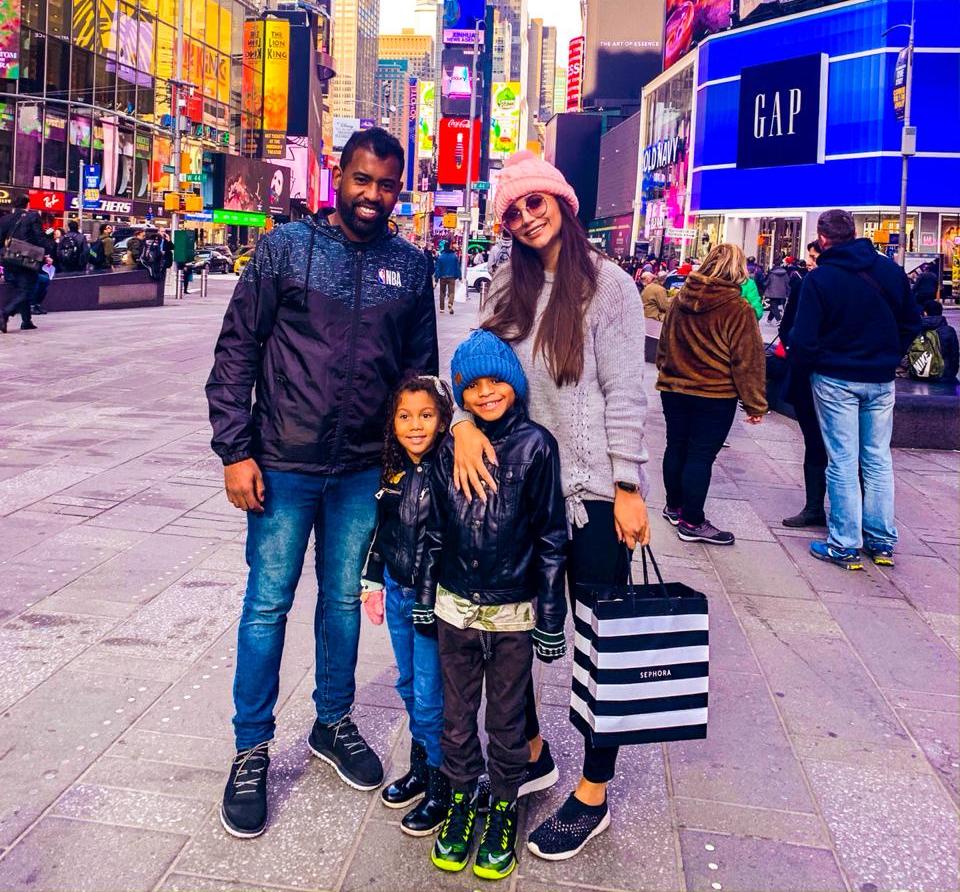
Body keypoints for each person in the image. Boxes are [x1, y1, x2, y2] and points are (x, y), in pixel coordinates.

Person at [206, 127, 439, 839]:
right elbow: (237, 349)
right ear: (340, 176)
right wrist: (234, 450)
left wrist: (411, 466)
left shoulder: (411, 267)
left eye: (387, 185)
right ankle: (251, 748)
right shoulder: (285, 249)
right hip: (281, 462)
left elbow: (420, 374)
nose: (373, 195)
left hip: (364, 470)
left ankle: (332, 721)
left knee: (342, 601)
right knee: (267, 605)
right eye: (363, 179)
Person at [449, 150, 650, 862]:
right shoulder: (508, 284)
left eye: (535, 202)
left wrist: (628, 487)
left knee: (600, 645)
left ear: (562, 203)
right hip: (518, 492)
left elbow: (626, 391)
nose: (527, 217)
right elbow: (478, 368)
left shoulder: (610, 287)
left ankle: (593, 793)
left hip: (590, 496)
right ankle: (533, 751)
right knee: (512, 630)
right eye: (513, 211)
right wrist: (462, 422)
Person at [417, 330, 568, 881]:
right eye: (472, 385)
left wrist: (550, 618)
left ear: (514, 383)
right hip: (456, 609)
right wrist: (426, 595)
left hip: (512, 614)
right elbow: (434, 529)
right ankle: (461, 799)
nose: (485, 393)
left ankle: (503, 804)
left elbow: (551, 537)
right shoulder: (450, 448)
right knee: (457, 719)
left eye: (495, 381)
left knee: (507, 720)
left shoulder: (537, 447)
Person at [790, 209, 921, 570]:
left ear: (823, 238)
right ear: (855, 232)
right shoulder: (890, 271)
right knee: (877, 459)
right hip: (880, 378)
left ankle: (845, 543)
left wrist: (812, 364)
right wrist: (889, 354)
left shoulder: (820, 278)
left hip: (835, 378)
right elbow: (912, 321)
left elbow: (803, 339)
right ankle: (881, 541)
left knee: (843, 461)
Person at [361, 374, 454, 837]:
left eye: (426, 415)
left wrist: (431, 596)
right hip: (397, 592)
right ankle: (421, 765)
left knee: (431, 694)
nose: (415, 425)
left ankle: (442, 782)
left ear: (443, 421)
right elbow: (383, 532)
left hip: (429, 601)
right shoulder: (393, 472)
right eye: (405, 416)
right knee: (408, 683)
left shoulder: (448, 470)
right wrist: (372, 579)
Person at [656, 244, 767, 545]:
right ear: (738, 269)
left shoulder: (681, 298)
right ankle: (692, 521)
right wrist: (755, 404)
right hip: (714, 393)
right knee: (700, 455)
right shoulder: (738, 308)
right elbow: (747, 360)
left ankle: (673, 506)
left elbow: (664, 342)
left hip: (674, 388)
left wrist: (666, 371)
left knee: (676, 445)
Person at [779, 241, 828, 527]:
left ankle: (820, 508)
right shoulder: (803, 283)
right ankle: (815, 506)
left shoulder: (817, 283)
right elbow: (787, 327)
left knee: (823, 444)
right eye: (809, 256)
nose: (808, 261)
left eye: (813, 256)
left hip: (818, 374)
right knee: (814, 442)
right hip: (809, 376)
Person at [0, 194, 45, 332]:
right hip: (26, 260)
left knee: (21, 289)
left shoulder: (5, 219)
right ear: (28, 204)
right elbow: (39, 238)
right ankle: (5, 313)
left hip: (8, 259)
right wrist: (46, 254)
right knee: (27, 290)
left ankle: (26, 321)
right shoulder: (33, 216)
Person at [910, 300, 959, 382]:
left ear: (925, 313)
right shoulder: (949, 331)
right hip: (944, 375)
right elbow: (954, 356)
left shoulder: (916, 329)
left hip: (917, 373)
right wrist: (951, 374)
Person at [434, 242, 460, 315]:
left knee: (442, 293)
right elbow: (457, 267)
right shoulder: (454, 256)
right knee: (451, 292)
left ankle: (442, 309)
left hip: (443, 277)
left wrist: (436, 278)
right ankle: (450, 303)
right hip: (451, 277)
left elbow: (438, 268)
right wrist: (459, 276)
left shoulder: (441, 257)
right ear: (450, 247)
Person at [764, 258, 790, 322]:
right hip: (782, 292)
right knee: (774, 306)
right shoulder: (785, 273)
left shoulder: (771, 273)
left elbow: (767, 283)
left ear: (774, 264)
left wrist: (763, 285)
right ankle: (769, 319)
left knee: (774, 306)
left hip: (772, 292)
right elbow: (788, 283)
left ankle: (779, 319)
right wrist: (788, 292)